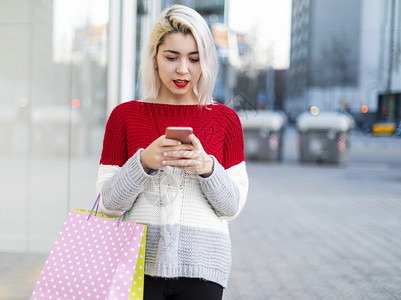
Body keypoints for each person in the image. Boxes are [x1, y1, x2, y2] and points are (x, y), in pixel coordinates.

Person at [96, 4, 248, 300]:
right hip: (136, 265)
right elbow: (108, 204)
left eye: (194, 58)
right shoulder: (125, 116)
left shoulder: (225, 120)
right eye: (171, 57)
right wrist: (143, 162)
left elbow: (231, 208)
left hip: (203, 270)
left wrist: (207, 168)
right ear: (154, 57)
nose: (183, 69)